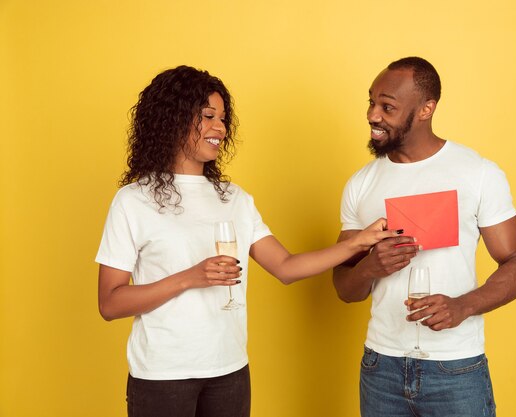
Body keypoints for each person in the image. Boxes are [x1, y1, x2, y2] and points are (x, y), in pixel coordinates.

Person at [96, 65, 401, 417]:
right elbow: (111, 302)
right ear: (173, 119)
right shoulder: (134, 200)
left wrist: (356, 243)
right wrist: (190, 277)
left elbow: (286, 267)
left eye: (223, 119)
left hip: (230, 372)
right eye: (208, 116)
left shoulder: (234, 199)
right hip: (163, 376)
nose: (220, 128)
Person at [332, 57, 516, 417]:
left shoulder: (478, 173)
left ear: (426, 109)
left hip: (454, 369)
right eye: (371, 103)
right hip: (381, 367)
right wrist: (369, 269)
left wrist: (462, 306)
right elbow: (345, 289)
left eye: (387, 107)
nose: (372, 115)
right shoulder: (360, 184)